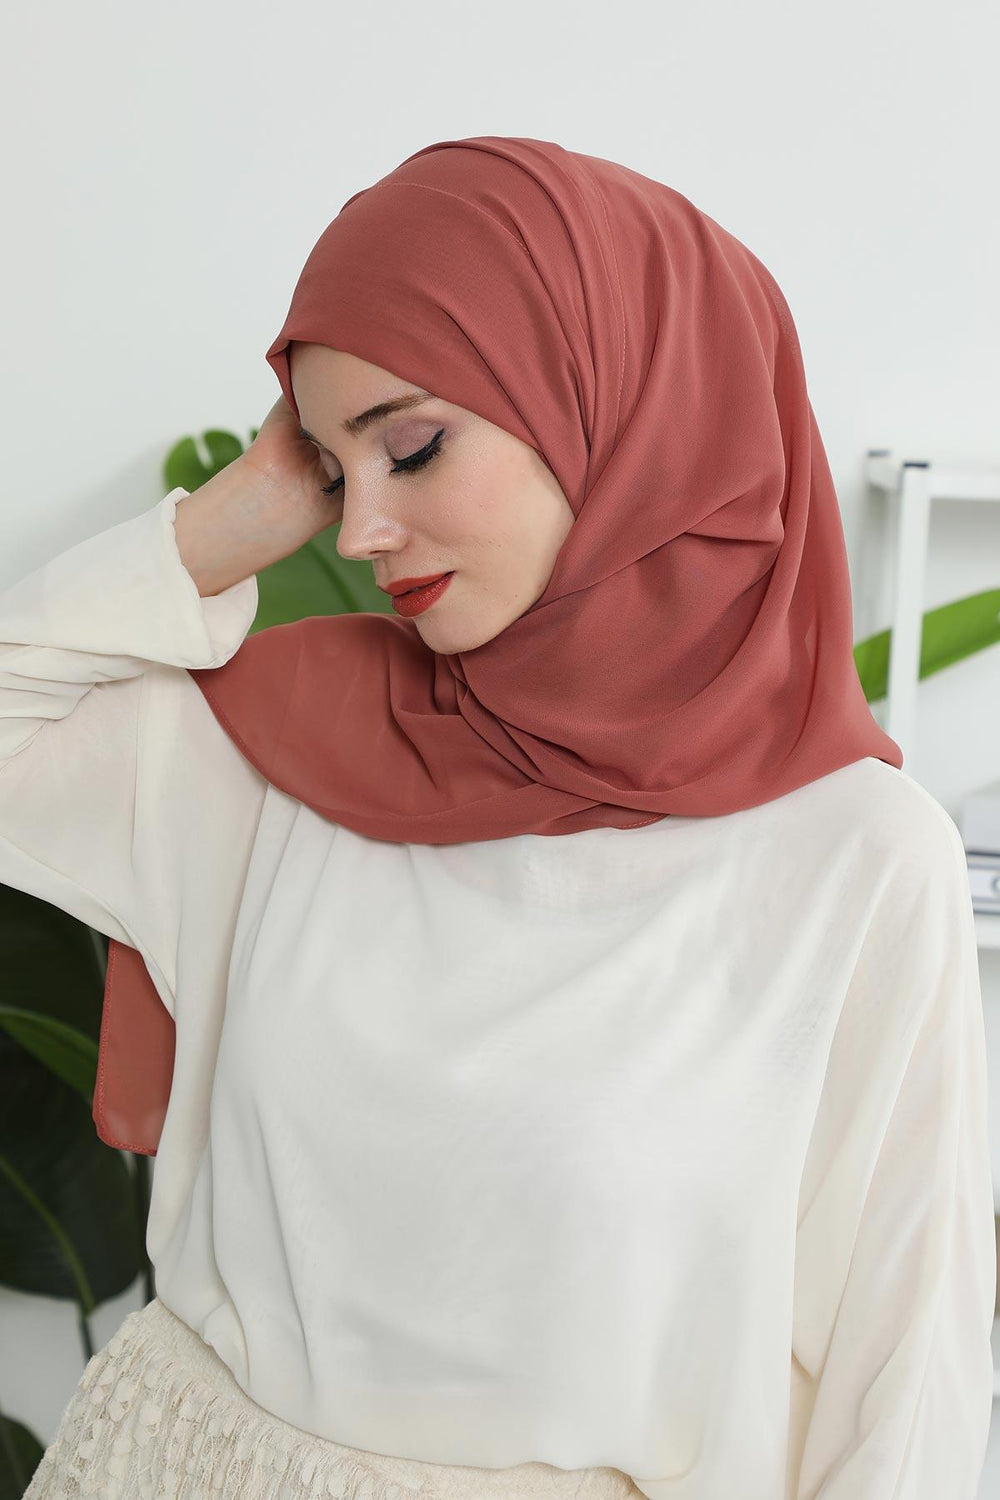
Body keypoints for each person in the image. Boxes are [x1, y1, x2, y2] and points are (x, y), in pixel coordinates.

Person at [2, 134, 995, 1499]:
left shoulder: (855, 863)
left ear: (618, 404)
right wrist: (234, 518)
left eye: (411, 446)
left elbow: (904, 1389)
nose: (360, 531)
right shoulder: (275, 757)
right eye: (331, 468)